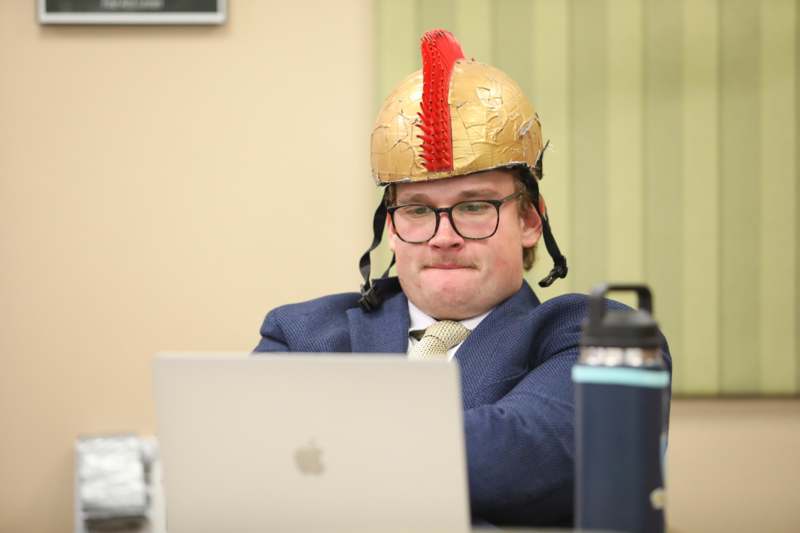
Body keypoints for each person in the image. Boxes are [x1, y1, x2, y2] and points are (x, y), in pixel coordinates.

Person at [254, 29, 671, 527]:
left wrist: (321, 447)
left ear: (530, 220)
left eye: (474, 207)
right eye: (417, 210)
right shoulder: (300, 334)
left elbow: (530, 454)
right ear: (391, 228)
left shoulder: (596, 338)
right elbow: (245, 463)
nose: (443, 237)